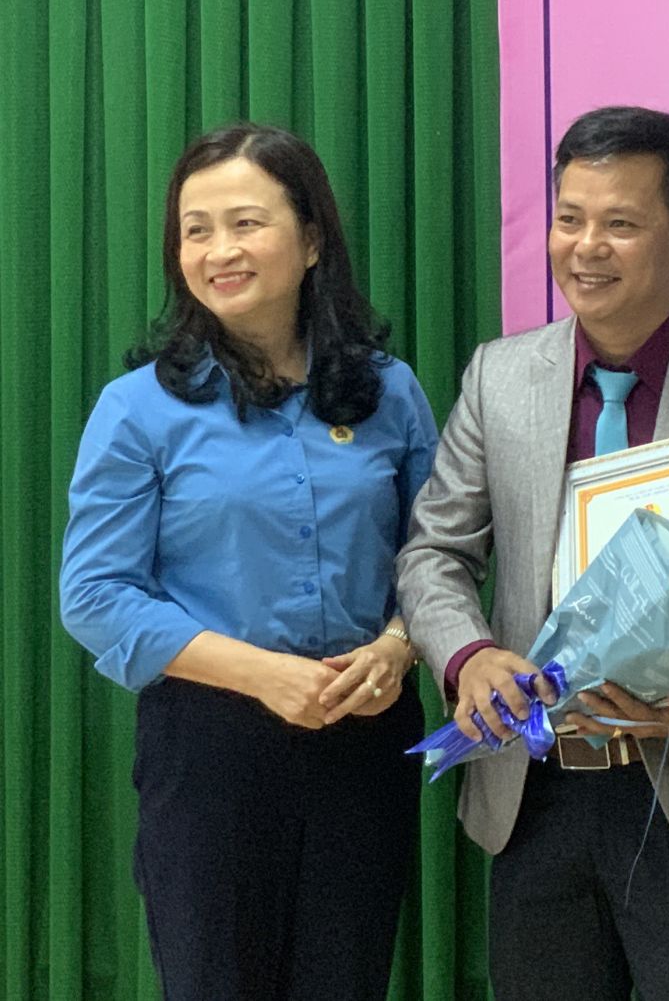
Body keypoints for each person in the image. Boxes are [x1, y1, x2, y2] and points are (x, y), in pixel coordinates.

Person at [396, 105, 669, 1001]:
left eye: (621, 223)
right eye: (569, 218)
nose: (586, 247)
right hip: (535, 792)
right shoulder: (499, 376)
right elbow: (434, 549)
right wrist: (468, 657)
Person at [59, 125, 437, 1001]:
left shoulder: (390, 391)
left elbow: (437, 554)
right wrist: (263, 675)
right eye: (195, 230)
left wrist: (398, 645)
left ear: (312, 240)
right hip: (209, 745)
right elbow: (95, 592)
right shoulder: (139, 408)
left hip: (364, 735)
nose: (218, 250)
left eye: (245, 223)